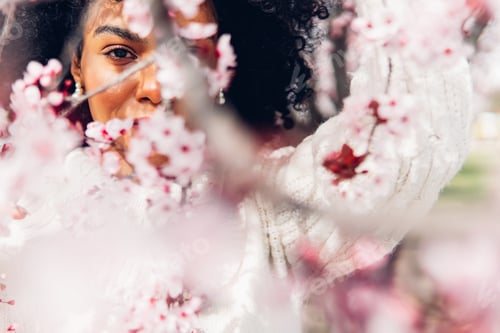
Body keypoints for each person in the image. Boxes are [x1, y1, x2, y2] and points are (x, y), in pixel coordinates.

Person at [0, 0, 473, 331]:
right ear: (77, 66)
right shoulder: (18, 216)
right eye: (120, 54)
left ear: (222, 75)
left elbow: (410, 137)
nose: (153, 87)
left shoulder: (265, 215)